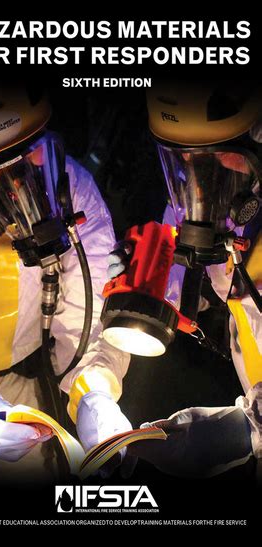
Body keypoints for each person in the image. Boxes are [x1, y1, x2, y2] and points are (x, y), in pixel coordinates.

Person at [0, 85, 131, 481]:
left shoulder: (71, 187)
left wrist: (94, 392)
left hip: (22, 381)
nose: (18, 180)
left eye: (30, 152)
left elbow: (90, 305)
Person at [112, 83, 262, 477]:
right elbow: (178, 279)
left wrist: (240, 432)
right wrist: (141, 283)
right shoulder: (210, 193)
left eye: (217, 155)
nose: (200, 174)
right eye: (184, 157)